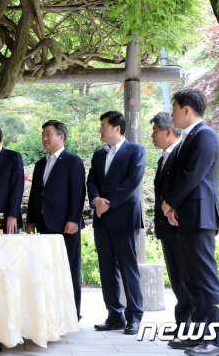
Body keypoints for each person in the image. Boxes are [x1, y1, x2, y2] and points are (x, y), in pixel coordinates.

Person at [161, 89, 219, 356]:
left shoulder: (206, 135)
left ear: (187, 110)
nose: (172, 113)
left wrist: (169, 203)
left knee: (206, 281)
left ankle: (216, 341)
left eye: (175, 107)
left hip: (200, 218)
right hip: (187, 218)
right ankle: (198, 336)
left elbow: (191, 175)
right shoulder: (191, 137)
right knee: (192, 282)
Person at [87, 110, 145, 335]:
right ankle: (114, 315)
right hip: (101, 217)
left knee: (128, 267)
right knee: (107, 267)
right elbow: (91, 179)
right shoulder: (99, 154)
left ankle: (135, 316)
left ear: (116, 128)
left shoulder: (135, 150)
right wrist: (95, 200)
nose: (101, 130)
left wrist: (108, 203)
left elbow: (133, 180)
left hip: (124, 216)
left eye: (103, 126)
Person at [27, 120, 85, 319]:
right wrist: (31, 220)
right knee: (46, 270)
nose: (44, 138)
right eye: (43, 134)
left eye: (49, 134)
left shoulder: (73, 161)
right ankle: (51, 312)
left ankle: (72, 314)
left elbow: (78, 193)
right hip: (44, 223)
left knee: (69, 269)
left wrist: (73, 219)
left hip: (65, 225)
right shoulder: (40, 164)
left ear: (61, 137)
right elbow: (36, 193)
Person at [150, 111, 198, 349]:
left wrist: (171, 207)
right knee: (178, 281)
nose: (152, 136)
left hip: (180, 227)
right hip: (166, 229)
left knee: (187, 282)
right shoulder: (163, 157)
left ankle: (190, 330)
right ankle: (182, 327)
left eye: (155, 131)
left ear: (168, 132)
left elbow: (184, 186)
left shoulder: (181, 154)